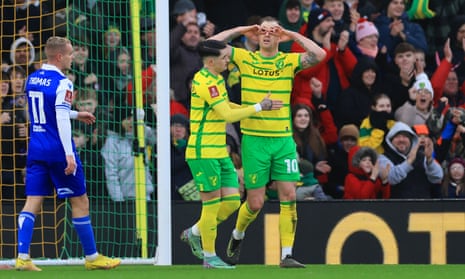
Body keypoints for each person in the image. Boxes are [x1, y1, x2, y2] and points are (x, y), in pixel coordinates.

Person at [208, 16, 326, 267]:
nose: (267, 34)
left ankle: (286, 255)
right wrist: (242, 29)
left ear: (279, 35)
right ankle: (237, 234)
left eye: (273, 31)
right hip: (254, 141)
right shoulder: (245, 57)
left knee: (289, 195)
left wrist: (291, 34)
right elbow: (210, 44)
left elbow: (320, 54)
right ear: (257, 35)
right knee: (256, 202)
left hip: (283, 140)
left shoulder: (288, 61)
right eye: (263, 31)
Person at [16, 36, 120, 271]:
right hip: (58, 150)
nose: (73, 57)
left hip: (37, 147)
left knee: (33, 201)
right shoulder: (63, 83)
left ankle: (22, 256)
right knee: (80, 200)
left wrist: (76, 113)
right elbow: (60, 118)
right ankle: (92, 258)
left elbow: (46, 111)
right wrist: (69, 154)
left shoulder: (32, 79)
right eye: (71, 54)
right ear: (60, 56)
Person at [179, 39, 283, 269]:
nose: (229, 61)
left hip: (219, 151)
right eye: (225, 58)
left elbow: (226, 105)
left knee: (233, 202)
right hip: (203, 152)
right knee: (211, 205)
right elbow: (226, 114)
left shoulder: (218, 79)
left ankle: (194, 232)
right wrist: (257, 108)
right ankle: (209, 257)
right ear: (211, 61)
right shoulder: (205, 80)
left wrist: (257, 106)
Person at [377, 121, 443, 199]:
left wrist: (430, 160)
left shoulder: (422, 156)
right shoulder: (383, 158)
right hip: (396, 207)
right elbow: (391, 178)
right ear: (391, 141)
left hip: (422, 206)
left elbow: (437, 177)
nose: (401, 140)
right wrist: (409, 162)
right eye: (397, 137)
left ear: (411, 140)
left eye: (405, 137)